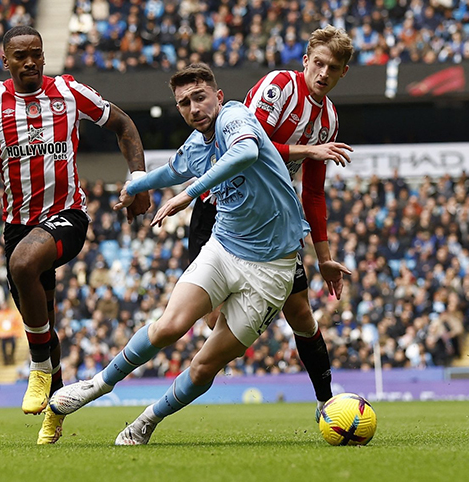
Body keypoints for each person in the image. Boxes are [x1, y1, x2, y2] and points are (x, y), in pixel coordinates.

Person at [49, 63, 309, 445]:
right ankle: (98, 385)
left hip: (272, 270)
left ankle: (146, 421)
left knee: (205, 365)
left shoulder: (235, 117)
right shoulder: (195, 144)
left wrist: (189, 194)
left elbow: (246, 153)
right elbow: (171, 170)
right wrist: (136, 185)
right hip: (223, 248)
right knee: (169, 325)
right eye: (184, 103)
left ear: (218, 97)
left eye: (200, 97)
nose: (193, 108)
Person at [0, 25, 150, 445]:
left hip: (67, 216)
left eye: (36, 53)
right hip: (18, 227)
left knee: (23, 265)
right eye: (20, 55)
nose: (29, 61)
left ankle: (39, 368)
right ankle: (57, 411)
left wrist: (137, 181)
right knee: (45, 323)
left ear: (43, 56)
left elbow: (124, 125)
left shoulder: (69, 92)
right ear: (5, 60)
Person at [188, 25, 355, 419]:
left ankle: (326, 402)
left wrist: (324, 257)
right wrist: (308, 150)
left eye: (333, 68)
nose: (323, 74)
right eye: (318, 63)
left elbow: (313, 192)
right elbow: (248, 145)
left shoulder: (328, 118)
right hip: (221, 204)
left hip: (273, 219)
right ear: (305, 60)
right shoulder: (279, 86)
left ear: (343, 72)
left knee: (301, 311)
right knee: (213, 318)